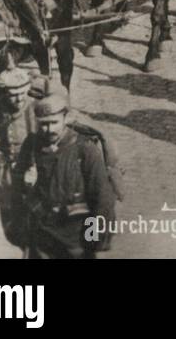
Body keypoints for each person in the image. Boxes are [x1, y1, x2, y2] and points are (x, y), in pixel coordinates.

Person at [12, 91, 116, 258]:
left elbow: (102, 196)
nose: (49, 129)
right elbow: (16, 185)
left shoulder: (85, 149)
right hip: (42, 232)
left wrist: (95, 238)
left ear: (65, 118)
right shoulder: (32, 144)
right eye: (43, 124)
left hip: (76, 236)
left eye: (54, 122)